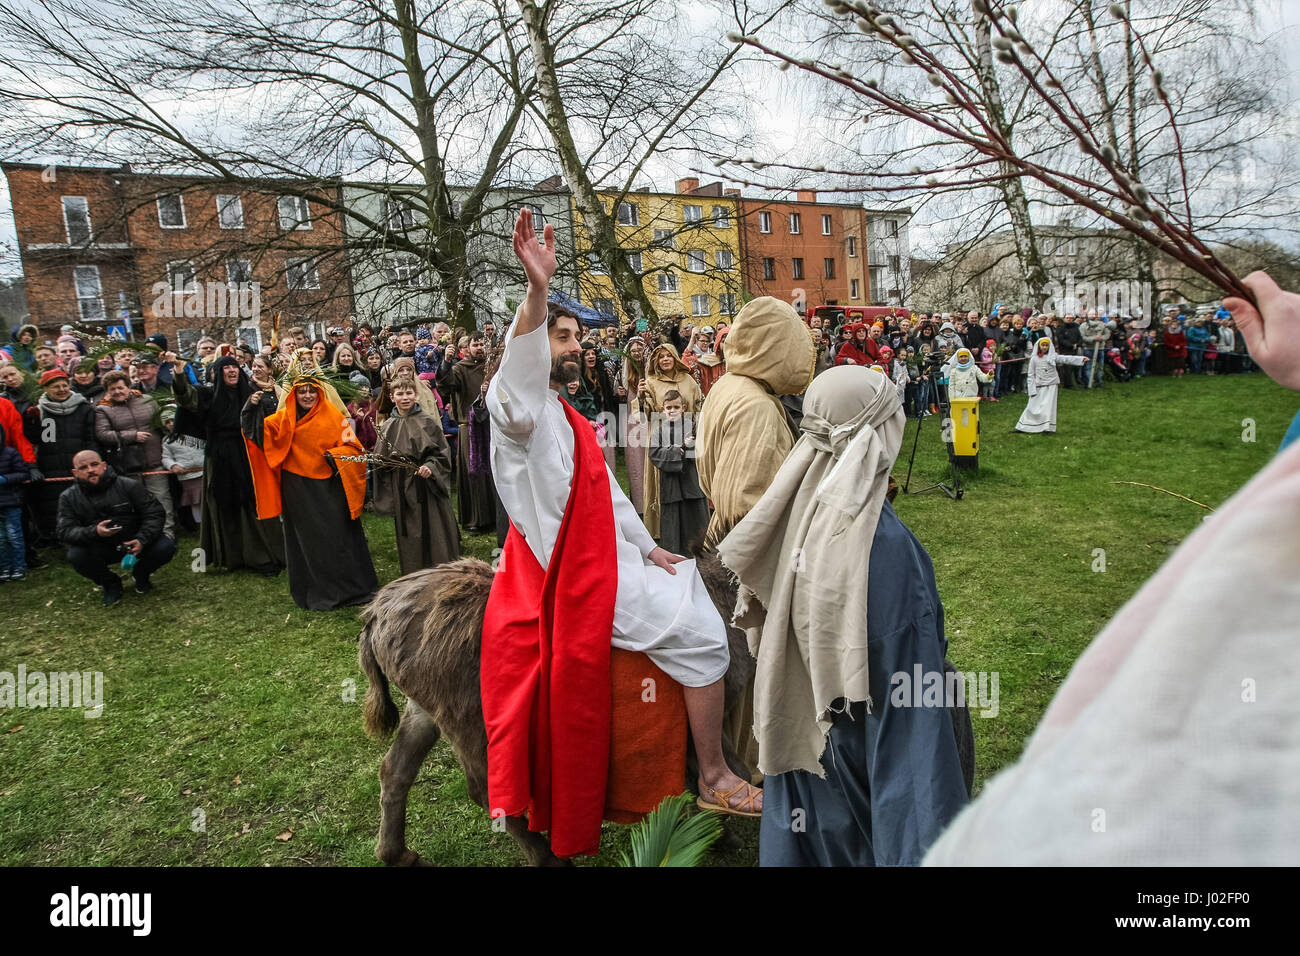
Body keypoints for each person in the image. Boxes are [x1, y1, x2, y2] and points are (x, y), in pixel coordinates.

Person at [480, 211, 760, 860]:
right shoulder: (516, 409)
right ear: (533, 346)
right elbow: (517, 369)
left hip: (610, 558)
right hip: (576, 581)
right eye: (565, 337)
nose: (578, 347)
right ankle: (715, 776)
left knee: (688, 580)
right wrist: (535, 294)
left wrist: (650, 546)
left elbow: (606, 494)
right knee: (700, 633)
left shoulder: (564, 415)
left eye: (577, 336)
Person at [719, 366, 968, 865]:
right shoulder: (882, 547)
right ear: (877, 434)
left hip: (803, 727)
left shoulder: (796, 510)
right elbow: (909, 724)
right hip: (864, 746)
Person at [242, 372, 376, 609]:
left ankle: (350, 588)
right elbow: (257, 434)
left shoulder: (333, 416)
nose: (307, 395)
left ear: (319, 393)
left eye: (311, 391)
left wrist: (334, 456)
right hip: (298, 490)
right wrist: (250, 408)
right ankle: (319, 591)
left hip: (331, 487)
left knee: (338, 536)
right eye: (302, 391)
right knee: (309, 542)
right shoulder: (282, 420)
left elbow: (353, 447)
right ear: (293, 394)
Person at [58, 450, 177, 605]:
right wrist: (94, 532)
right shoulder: (68, 497)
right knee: (76, 556)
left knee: (166, 546)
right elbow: (64, 531)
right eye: (83, 467)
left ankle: (141, 573)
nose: (90, 470)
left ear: (104, 465)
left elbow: (154, 513)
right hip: (99, 547)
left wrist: (141, 539)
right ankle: (111, 584)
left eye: (94, 464)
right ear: (75, 472)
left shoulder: (129, 485)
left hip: (135, 542)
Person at [372, 380, 460, 574]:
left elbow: (442, 454)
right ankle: (415, 571)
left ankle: (441, 569)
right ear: (392, 397)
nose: (405, 398)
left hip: (428, 486)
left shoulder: (427, 422)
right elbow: (380, 463)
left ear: (416, 395)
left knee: (435, 528)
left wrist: (430, 466)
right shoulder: (387, 427)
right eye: (400, 394)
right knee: (411, 531)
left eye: (409, 393)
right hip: (403, 487)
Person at [93, 370, 174, 541]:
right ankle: (142, 536)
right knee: (136, 503)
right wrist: (131, 436)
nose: (117, 392)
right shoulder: (103, 409)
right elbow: (102, 434)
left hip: (155, 459)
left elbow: (161, 421)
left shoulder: (147, 400)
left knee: (162, 500)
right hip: (128, 464)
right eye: (112, 389)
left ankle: (167, 534)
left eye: (120, 387)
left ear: (128, 386)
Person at [24, 368, 99, 546]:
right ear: (45, 389)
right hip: (51, 465)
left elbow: (90, 438)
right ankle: (59, 537)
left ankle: (88, 535)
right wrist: (32, 423)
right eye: (56, 387)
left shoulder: (84, 409)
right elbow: (39, 440)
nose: (61, 389)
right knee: (55, 503)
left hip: (80, 462)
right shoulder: (41, 411)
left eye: (64, 385)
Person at [639, 342, 701, 542]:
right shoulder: (651, 382)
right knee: (664, 485)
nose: (665, 359)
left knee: (689, 480)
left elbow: (699, 406)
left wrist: (697, 429)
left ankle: (691, 529)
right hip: (661, 435)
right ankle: (662, 529)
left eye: (669, 355)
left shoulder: (689, 381)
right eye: (661, 356)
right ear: (656, 361)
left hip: (687, 435)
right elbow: (643, 415)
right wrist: (641, 399)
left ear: (675, 358)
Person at [436, 333, 495, 532]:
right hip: (469, 428)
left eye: (481, 344)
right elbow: (444, 384)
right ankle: (476, 519)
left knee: (494, 471)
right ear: (467, 347)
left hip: (491, 426)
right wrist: (446, 361)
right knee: (475, 474)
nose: (479, 348)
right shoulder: (460, 369)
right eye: (475, 344)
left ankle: (496, 515)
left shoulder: (492, 368)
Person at [647, 389, 709, 556]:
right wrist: (677, 450)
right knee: (673, 521)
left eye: (676, 407)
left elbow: (703, 450)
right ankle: (674, 554)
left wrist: (691, 446)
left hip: (692, 482)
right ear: (663, 409)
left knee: (695, 519)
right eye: (669, 408)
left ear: (683, 407)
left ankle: (700, 552)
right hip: (671, 485)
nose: (672, 410)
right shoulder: (658, 432)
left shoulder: (693, 427)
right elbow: (654, 454)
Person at [1014, 337, 1089, 435]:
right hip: (1038, 385)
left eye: (1046, 345)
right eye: (1043, 345)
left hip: (1051, 385)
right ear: (1039, 346)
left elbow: (1065, 359)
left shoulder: (1053, 356)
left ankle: (1048, 428)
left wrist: (1081, 359)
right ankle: (1023, 426)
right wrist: (1031, 389)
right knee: (1032, 406)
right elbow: (1031, 375)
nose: (1044, 347)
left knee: (1048, 407)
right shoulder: (1034, 358)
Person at [160, 406, 205, 530]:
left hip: (205, 471)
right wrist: (173, 465)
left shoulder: (196, 433)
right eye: (167, 422)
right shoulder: (168, 441)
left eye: (173, 420)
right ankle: (201, 526)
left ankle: (215, 523)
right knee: (195, 502)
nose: (171, 424)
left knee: (208, 499)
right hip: (187, 476)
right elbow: (166, 457)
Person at [0, 421, 31, 581]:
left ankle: (19, 566)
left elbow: (23, 473)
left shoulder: (11, 453)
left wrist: (5, 479)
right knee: (1, 539)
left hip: (11, 501)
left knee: (15, 536)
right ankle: (4, 568)